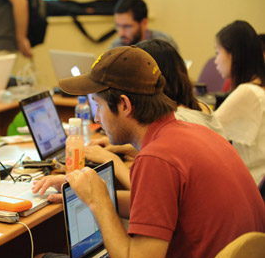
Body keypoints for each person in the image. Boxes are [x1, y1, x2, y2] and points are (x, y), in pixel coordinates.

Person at [32, 46, 265, 258]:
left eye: (99, 106)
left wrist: (98, 202)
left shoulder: (157, 158)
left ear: (124, 105)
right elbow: (155, 208)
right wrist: (90, 194)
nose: (97, 119)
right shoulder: (194, 133)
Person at [86, 39, 226, 179]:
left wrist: (112, 161)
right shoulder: (198, 107)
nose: (97, 118)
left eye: (99, 106)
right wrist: (124, 148)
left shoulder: (177, 122)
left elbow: (155, 174)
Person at [213, 20, 265, 185]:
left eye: (217, 52)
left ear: (232, 55)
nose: (215, 61)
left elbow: (207, 130)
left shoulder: (248, 92)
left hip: (249, 183)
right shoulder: (257, 88)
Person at [109, 0, 179, 51]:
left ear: (144, 23)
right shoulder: (116, 47)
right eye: (118, 26)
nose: (121, 33)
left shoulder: (164, 44)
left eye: (127, 26)